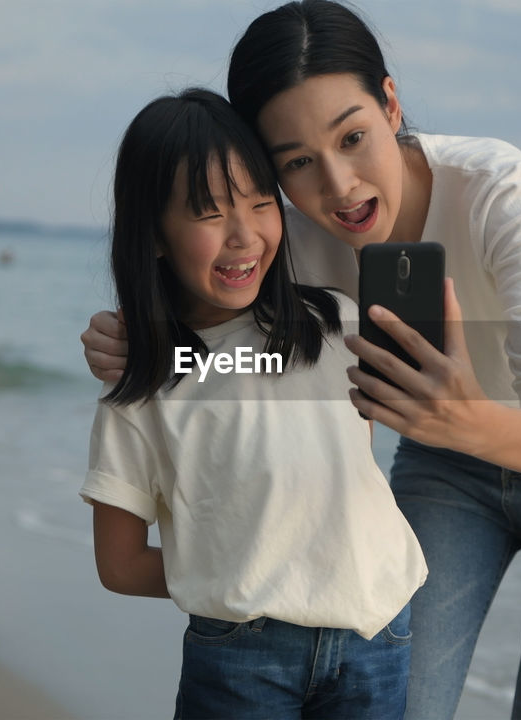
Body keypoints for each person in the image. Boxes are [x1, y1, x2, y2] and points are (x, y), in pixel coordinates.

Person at [82, 3, 521, 717]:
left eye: (353, 136)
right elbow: (224, 328)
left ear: (391, 103)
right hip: (446, 459)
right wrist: (142, 337)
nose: (338, 186)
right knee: (408, 699)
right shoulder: (283, 228)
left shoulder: (501, 193)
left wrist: (464, 418)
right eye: (295, 162)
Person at [81, 87, 427, 719]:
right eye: (209, 214)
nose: (245, 236)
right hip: (243, 654)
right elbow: (120, 564)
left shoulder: (338, 326)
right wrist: (244, 567)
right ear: (153, 233)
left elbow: (357, 479)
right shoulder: (144, 380)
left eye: (262, 204)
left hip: (378, 635)